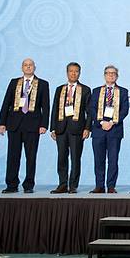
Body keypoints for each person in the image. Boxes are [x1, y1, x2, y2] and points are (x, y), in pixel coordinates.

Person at [0, 58, 50, 194]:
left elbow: (46, 106)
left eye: (30, 65)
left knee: (31, 157)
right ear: (22, 68)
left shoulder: (43, 84)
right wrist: (2, 123)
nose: (28, 67)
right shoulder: (14, 82)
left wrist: (44, 124)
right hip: (14, 124)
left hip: (33, 125)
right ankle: (11, 184)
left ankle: (28, 185)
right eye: (25, 65)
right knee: (13, 156)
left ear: (35, 67)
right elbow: (6, 103)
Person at [49, 62, 91, 194]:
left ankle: (73, 185)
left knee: (75, 158)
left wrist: (87, 128)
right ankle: (62, 184)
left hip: (77, 129)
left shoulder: (85, 89)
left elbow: (89, 112)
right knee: (61, 157)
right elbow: (54, 108)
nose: (73, 73)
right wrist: (53, 128)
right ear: (67, 73)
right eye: (71, 71)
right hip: (61, 128)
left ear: (80, 73)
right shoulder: (60, 89)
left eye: (76, 71)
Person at [89, 65, 129, 194]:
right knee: (98, 159)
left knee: (113, 159)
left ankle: (111, 185)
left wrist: (112, 122)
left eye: (113, 73)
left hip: (115, 129)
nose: (111, 75)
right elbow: (91, 109)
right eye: (108, 73)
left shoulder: (123, 91)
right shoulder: (96, 91)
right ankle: (99, 185)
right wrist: (101, 122)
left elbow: (125, 110)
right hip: (99, 130)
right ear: (104, 75)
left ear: (117, 76)